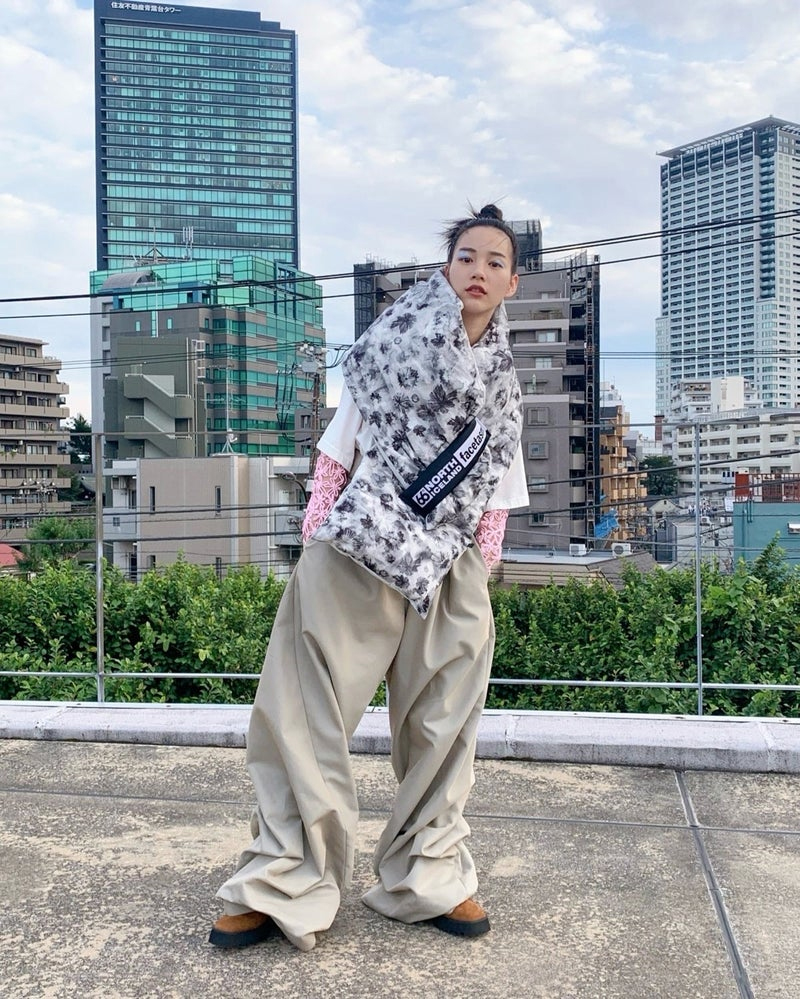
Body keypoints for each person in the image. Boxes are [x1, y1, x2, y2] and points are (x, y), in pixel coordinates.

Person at [209, 203, 528, 952]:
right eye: (466, 257)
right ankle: (282, 877)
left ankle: (429, 873)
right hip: (356, 543)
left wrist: (480, 568)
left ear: (512, 283)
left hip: (450, 561)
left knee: (444, 724)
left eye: (494, 261)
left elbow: (500, 484)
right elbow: (340, 443)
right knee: (302, 712)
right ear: (446, 270)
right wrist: (317, 534)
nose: (478, 270)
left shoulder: (507, 384)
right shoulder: (391, 340)